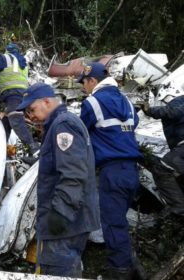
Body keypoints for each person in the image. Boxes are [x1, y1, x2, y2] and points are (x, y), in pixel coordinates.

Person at [16, 82, 100, 277]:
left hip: (67, 222)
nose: (30, 116)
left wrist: (60, 212)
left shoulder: (63, 125)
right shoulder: (60, 124)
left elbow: (73, 173)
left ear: (46, 101)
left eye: (32, 109)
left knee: (57, 271)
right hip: (71, 219)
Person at [78, 62, 145, 279]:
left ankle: (119, 272)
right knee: (119, 220)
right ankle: (131, 265)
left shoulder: (92, 103)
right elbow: (131, 126)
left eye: (84, 83)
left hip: (112, 172)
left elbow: (81, 134)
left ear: (93, 81)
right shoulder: (126, 100)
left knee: (113, 224)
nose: (82, 88)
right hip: (132, 172)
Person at [141, 89, 184, 215]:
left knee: (162, 168)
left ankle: (179, 207)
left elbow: (172, 112)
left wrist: (148, 110)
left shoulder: (178, 102)